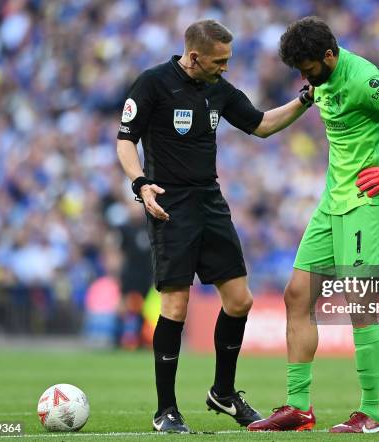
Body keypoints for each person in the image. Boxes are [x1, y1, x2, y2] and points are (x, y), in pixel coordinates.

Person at [116, 19, 315, 433]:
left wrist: (303, 101)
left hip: (209, 201)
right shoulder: (152, 84)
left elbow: (260, 124)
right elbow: (125, 139)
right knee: (174, 307)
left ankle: (223, 393)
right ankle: (165, 410)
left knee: (240, 301)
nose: (225, 67)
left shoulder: (219, 89)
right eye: (219, 60)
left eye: (228, 60)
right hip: (169, 205)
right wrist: (140, 185)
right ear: (193, 57)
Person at [248, 17, 379, 433]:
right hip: (332, 203)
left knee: (358, 303)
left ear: (330, 56)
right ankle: (298, 408)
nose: (304, 75)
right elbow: (308, 94)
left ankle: (372, 413)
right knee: (297, 295)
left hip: (370, 201)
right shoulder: (320, 79)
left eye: (309, 67)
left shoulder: (363, 78)